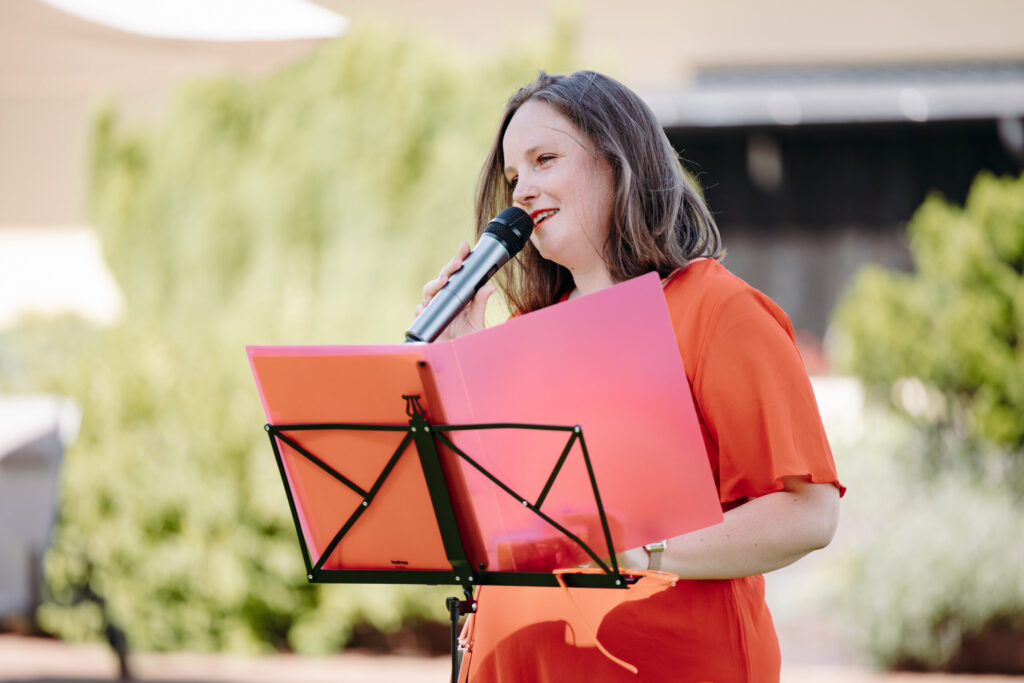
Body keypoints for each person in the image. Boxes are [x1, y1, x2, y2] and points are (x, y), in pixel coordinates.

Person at [416, 70, 844, 683]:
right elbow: (493, 523)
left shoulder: (716, 312)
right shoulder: (517, 335)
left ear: (619, 162)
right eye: (514, 177)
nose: (524, 191)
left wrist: (647, 553)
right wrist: (461, 361)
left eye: (545, 160)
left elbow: (808, 513)